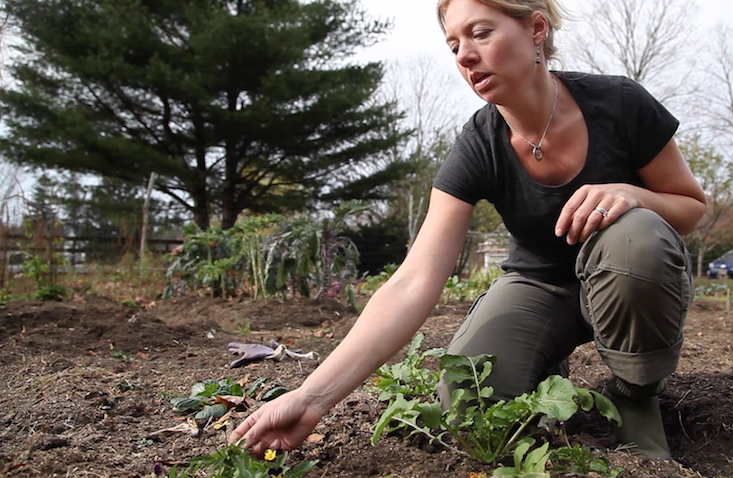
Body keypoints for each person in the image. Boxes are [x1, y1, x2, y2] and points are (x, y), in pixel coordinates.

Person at [229, 0, 706, 460]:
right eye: (453, 44)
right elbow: (413, 282)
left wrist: (634, 194)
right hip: (541, 288)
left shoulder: (619, 103)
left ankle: (634, 394)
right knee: (468, 398)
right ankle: (542, 363)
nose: (465, 55)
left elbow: (689, 206)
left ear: (536, 30)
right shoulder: (479, 144)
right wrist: (312, 397)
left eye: (480, 33)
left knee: (636, 236)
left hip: (627, 274)